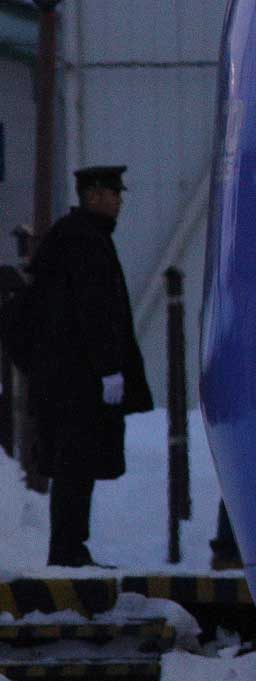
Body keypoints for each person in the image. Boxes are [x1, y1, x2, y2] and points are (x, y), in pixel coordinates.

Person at [29, 165, 153, 568]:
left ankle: (70, 548)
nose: (119, 201)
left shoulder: (79, 236)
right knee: (74, 462)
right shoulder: (84, 240)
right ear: (95, 195)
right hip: (78, 379)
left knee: (75, 462)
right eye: (114, 193)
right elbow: (93, 309)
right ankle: (67, 550)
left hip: (68, 376)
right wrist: (108, 369)